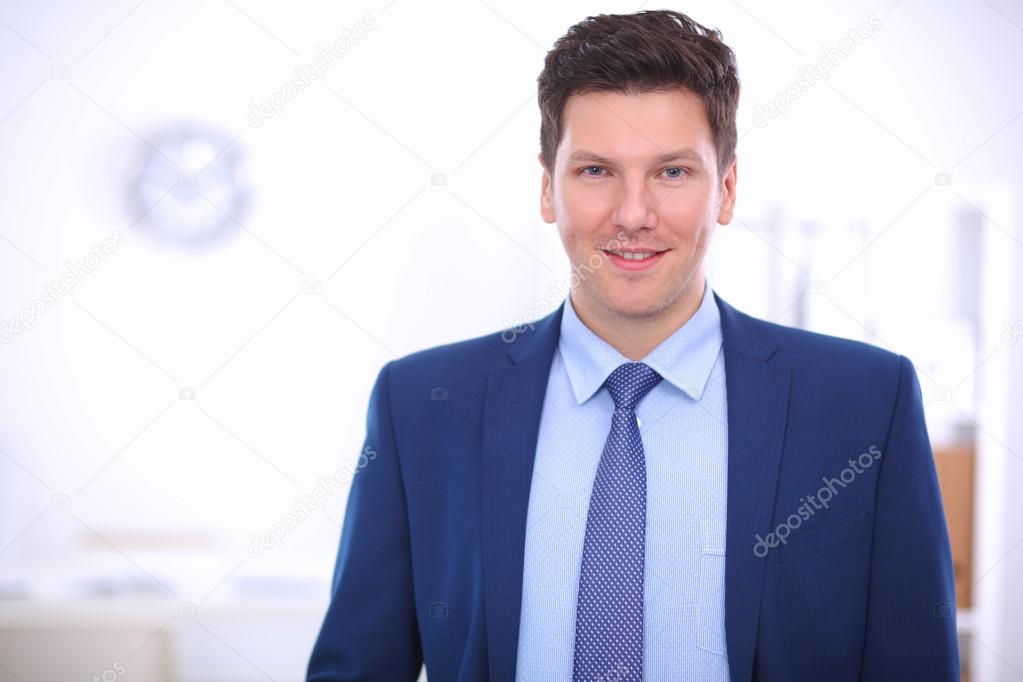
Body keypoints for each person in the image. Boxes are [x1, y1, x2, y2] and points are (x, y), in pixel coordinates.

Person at [307, 9, 959, 681]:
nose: (632, 214)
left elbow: (913, 661)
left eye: (672, 173)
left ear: (725, 189)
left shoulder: (861, 401)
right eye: (595, 171)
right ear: (546, 188)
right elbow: (358, 666)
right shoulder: (422, 405)